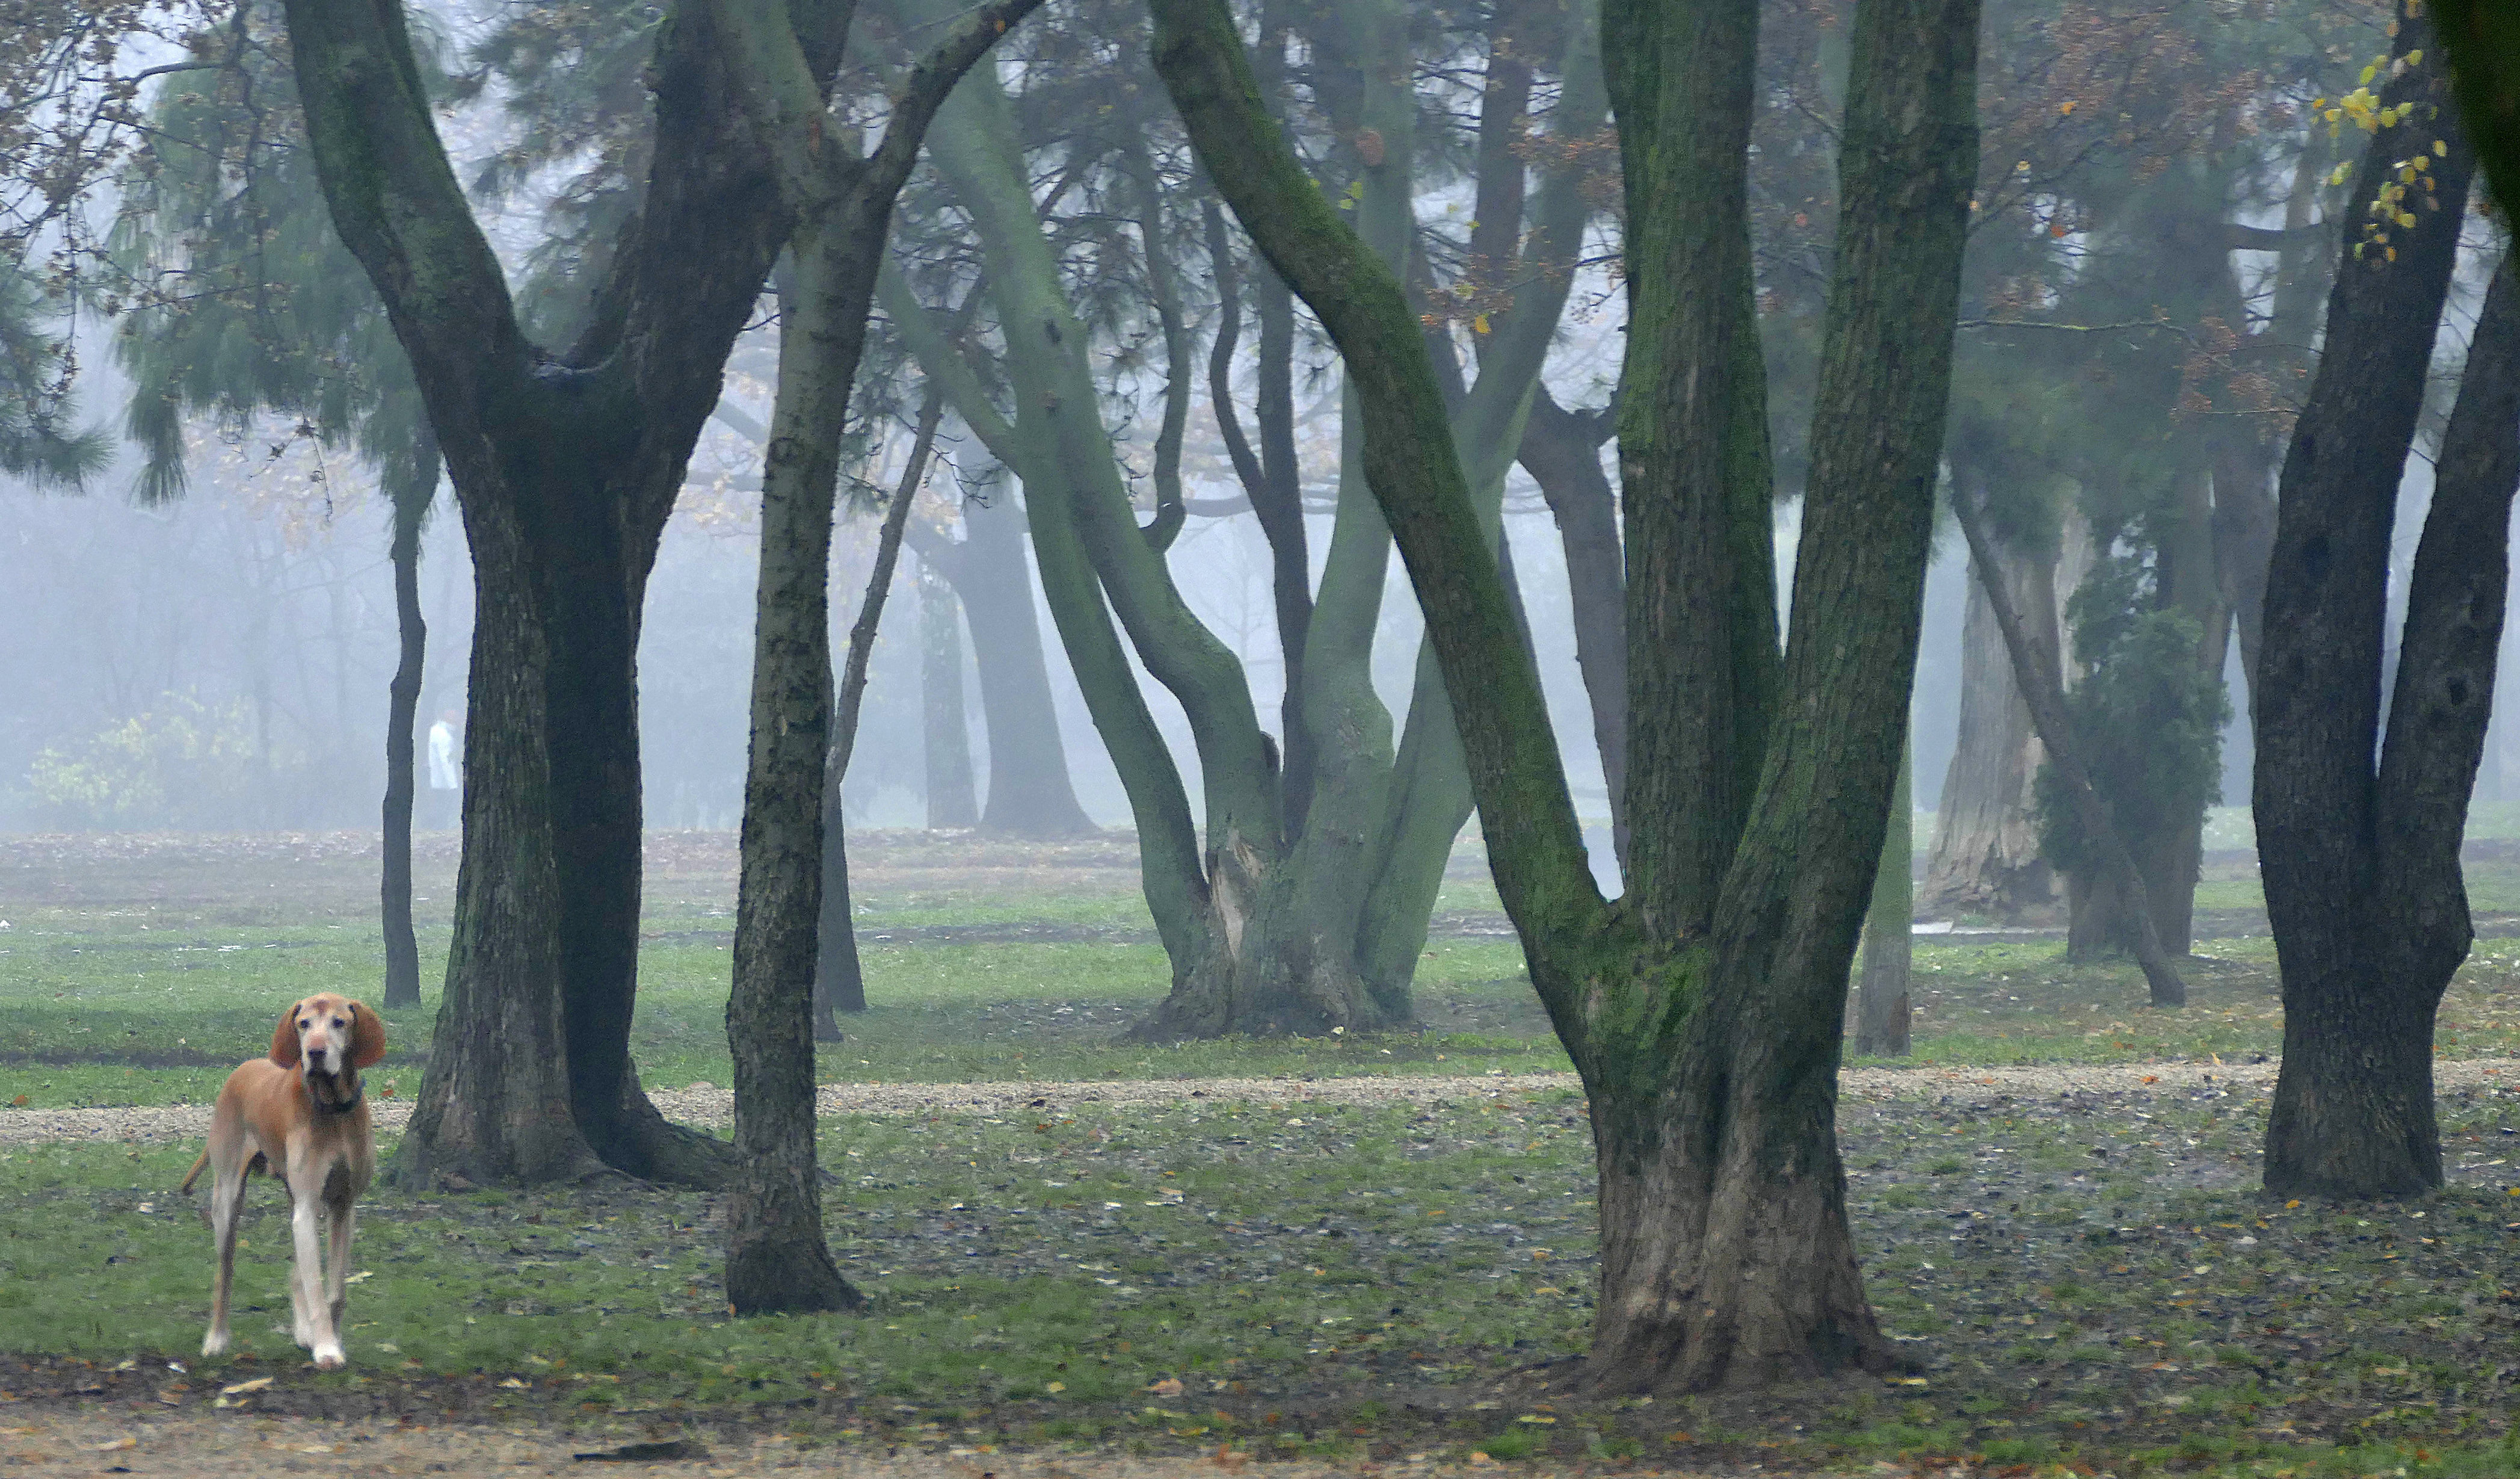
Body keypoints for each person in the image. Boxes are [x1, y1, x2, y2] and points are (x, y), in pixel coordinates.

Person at [427, 708, 461, 830]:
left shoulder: (436, 731)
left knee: (438, 807)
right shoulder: (444, 735)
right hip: (441, 782)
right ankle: (440, 828)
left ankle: (437, 828)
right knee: (442, 808)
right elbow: (446, 761)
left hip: (436, 780)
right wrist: (453, 785)